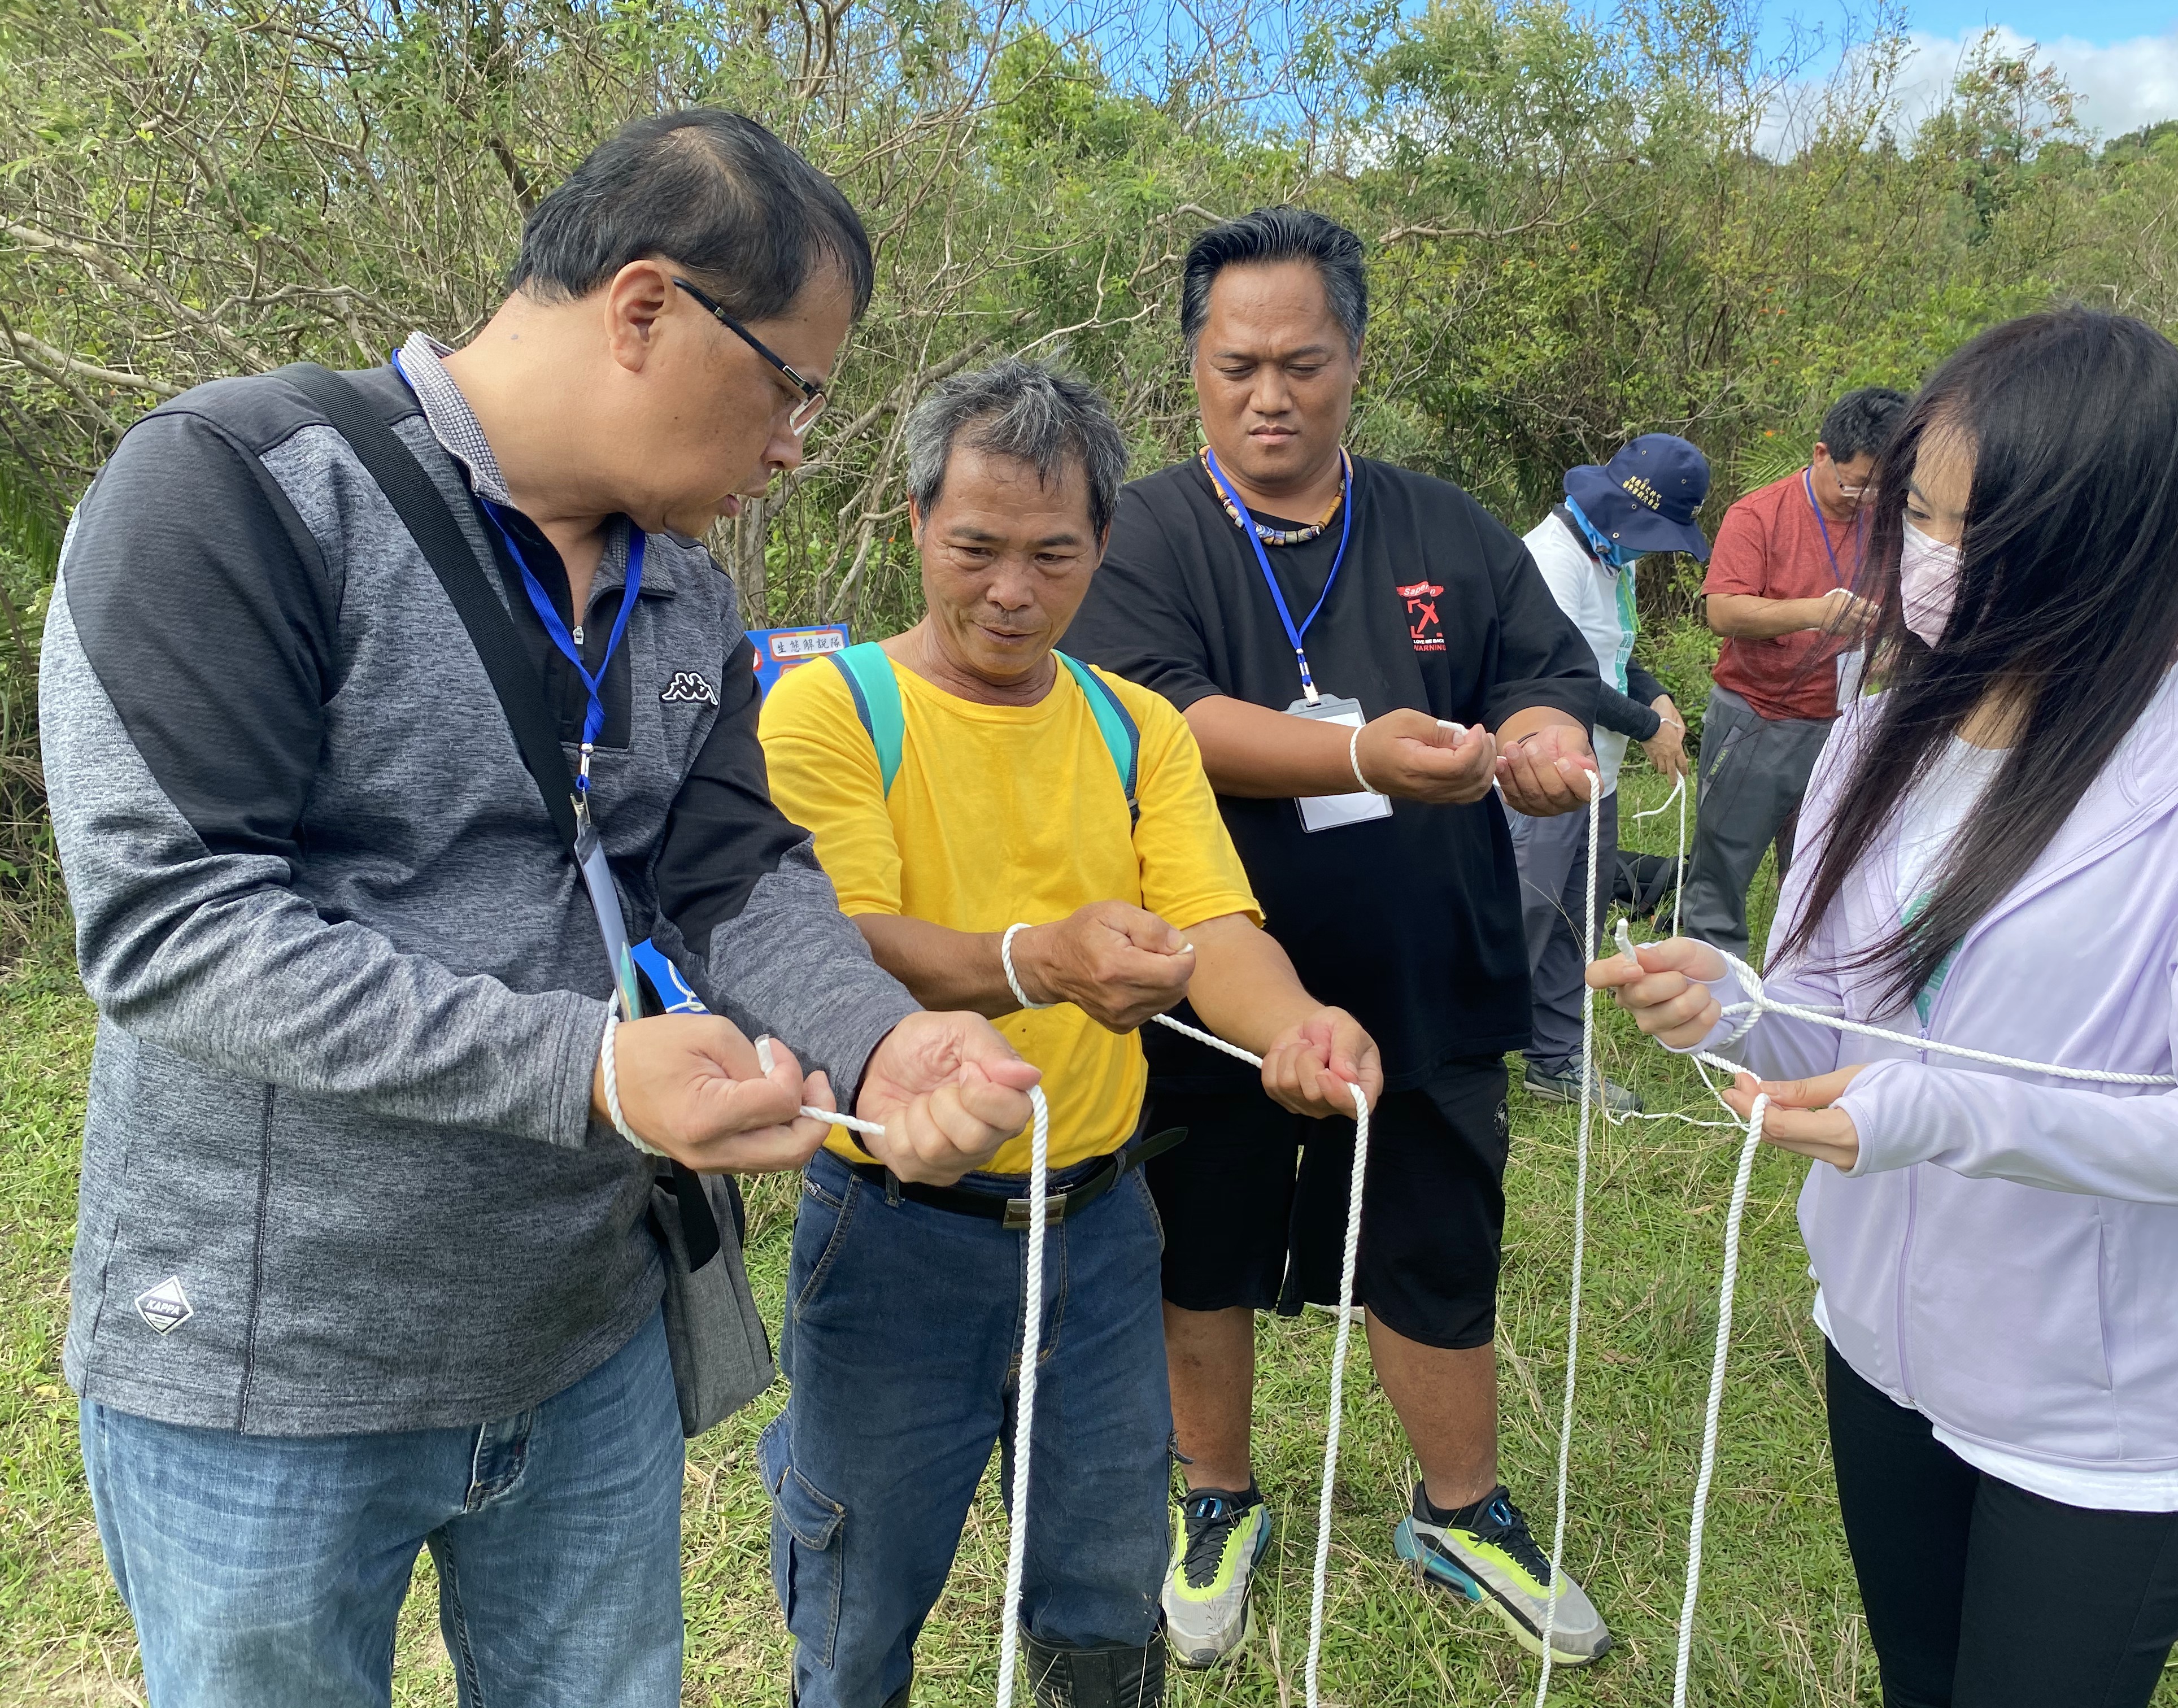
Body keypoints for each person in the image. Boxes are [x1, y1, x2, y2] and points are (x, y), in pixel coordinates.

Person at [42, 110, 1039, 1708]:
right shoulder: (238, 491)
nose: (798, 445)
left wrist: (879, 1043)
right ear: (646, 308)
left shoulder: (689, 592)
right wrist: (590, 1068)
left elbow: (728, 877)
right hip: (268, 1370)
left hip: (585, 1347)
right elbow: (177, 926)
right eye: (793, 387)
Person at [1591, 308, 2178, 1708]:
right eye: (1918, 513)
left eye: (1977, 531)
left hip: (2092, 1412)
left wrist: (1950, 1113)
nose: (1930, 561)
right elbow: (1831, 1029)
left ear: (2101, 543)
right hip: (1882, 1345)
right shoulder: (1875, 735)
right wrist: (1729, 1006)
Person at [756, 358, 1384, 1707]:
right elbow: (839, 942)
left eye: (1053, 554)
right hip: (895, 1229)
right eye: (975, 548)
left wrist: (1298, 1027)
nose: (1010, 590)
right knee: (858, 1602)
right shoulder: (832, 708)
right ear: (916, 523)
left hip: (1101, 1232)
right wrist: (1036, 962)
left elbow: (1215, 929)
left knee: (1106, 1591)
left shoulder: (1133, 726)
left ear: (1103, 544)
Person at [1061, 206, 1615, 1671]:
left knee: (1440, 1248)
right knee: (1205, 1251)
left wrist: (1550, 743)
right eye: (1236, 363)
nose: (1269, 394)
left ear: (1355, 361)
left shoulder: (1446, 530)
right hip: (1208, 985)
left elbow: (1546, 682)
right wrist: (1366, 753)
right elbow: (1155, 718)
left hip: (1428, 971)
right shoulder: (1149, 537)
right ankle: (1217, 1496)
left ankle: (1462, 1510)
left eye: (1302, 361)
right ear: (1191, 367)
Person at [1509, 435, 1706, 1113]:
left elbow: (1616, 658)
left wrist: (1655, 697)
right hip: (1543, 775)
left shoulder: (1608, 560)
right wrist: (1651, 729)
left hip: (1600, 779)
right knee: (1525, 912)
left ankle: (1556, 1061)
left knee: (1576, 922)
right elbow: (1565, 676)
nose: (1649, 549)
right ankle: (1467, 1056)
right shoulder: (1550, 559)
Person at [1681, 386, 1907, 960]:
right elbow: (1722, 611)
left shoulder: (1889, 520)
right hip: (1757, 719)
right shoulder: (1759, 515)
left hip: (1843, 724)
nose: (1866, 497)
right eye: (1855, 483)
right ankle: (1711, 997)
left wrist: (1887, 650)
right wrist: (1815, 612)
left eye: (1882, 486)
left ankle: (1797, 992)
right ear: (1821, 453)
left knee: (1821, 869)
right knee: (1723, 866)